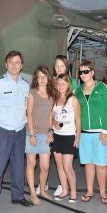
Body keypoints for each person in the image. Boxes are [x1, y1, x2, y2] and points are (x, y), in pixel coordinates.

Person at [0, 50, 33, 213]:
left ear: (22, 65)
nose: (14, 65)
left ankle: (18, 196)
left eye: (17, 62)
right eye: (11, 62)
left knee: (18, 166)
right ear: (6, 65)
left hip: (19, 131)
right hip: (2, 131)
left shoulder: (25, 85)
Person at [74, 60, 107, 204]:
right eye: (81, 72)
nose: (83, 74)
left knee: (101, 164)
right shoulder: (78, 91)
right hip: (84, 134)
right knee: (88, 163)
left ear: (92, 72)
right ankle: (89, 190)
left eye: (86, 71)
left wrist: (104, 130)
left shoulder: (102, 87)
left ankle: (103, 192)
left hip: (99, 133)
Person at [40, 55, 78, 197]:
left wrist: (75, 133)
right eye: (56, 66)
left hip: (67, 131)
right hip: (52, 125)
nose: (59, 68)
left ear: (66, 67)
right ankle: (45, 183)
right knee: (52, 159)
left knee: (66, 164)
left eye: (62, 65)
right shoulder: (51, 82)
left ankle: (65, 187)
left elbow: (73, 108)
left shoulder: (71, 82)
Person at [25, 65, 55, 206]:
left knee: (45, 167)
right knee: (32, 164)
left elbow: (50, 115)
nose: (42, 79)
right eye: (39, 76)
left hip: (45, 135)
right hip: (32, 133)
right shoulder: (32, 93)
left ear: (48, 78)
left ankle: (42, 190)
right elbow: (29, 114)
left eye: (45, 76)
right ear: (36, 78)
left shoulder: (51, 95)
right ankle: (32, 193)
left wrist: (50, 131)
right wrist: (32, 134)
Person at [51, 73, 81, 203]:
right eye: (59, 83)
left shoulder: (73, 100)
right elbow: (51, 117)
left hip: (69, 137)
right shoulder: (55, 99)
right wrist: (54, 124)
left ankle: (73, 192)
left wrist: (77, 137)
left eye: (63, 83)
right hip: (57, 137)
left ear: (68, 84)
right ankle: (64, 190)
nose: (61, 86)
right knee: (59, 165)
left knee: (67, 166)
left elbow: (78, 120)